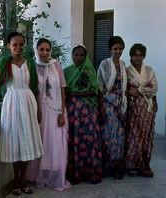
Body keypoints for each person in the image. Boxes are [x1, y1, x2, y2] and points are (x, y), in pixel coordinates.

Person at [0, 32, 43, 196]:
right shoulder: (3, 63)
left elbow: (35, 89)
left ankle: (23, 181)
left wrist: (39, 109)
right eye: (15, 45)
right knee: (14, 141)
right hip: (11, 103)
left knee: (26, 141)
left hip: (28, 103)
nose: (18, 48)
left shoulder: (30, 64)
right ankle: (15, 183)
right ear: (9, 46)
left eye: (21, 44)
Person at [26, 38, 71, 191]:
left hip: (55, 110)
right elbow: (32, 90)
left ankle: (54, 176)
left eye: (47, 50)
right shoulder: (31, 66)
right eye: (41, 49)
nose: (44, 53)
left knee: (55, 142)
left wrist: (61, 112)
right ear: (36, 50)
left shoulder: (56, 65)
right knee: (41, 141)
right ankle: (41, 175)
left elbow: (62, 88)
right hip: (39, 110)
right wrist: (36, 110)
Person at [64, 44, 102, 184]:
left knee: (89, 141)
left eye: (82, 55)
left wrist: (75, 93)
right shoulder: (66, 71)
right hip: (73, 113)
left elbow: (94, 90)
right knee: (74, 140)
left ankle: (90, 173)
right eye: (76, 55)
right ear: (72, 56)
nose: (79, 57)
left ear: (86, 57)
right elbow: (63, 91)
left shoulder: (90, 71)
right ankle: (75, 174)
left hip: (88, 113)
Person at [97, 36, 128, 179]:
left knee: (120, 136)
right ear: (110, 49)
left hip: (121, 105)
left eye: (120, 49)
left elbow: (125, 87)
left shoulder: (123, 65)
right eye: (115, 49)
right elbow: (99, 88)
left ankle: (117, 166)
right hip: (108, 104)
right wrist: (102, 108)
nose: (118, 51)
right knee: (109, 135)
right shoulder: (104, 64)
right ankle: (106, 166)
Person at [126, 43, 158, 177]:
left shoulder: (150, 70)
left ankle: (146, 164)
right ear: (131, 56)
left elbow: (154, 89)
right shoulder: (126, 71)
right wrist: (144, 89)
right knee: (135, 136)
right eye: (135, 55)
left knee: (147, 137)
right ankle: (137, 165)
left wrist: (138, 89)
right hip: (134, 110)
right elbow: (127, 89)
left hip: (148, 109)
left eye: (141, 55)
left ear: (144, 56)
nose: (138, 58)